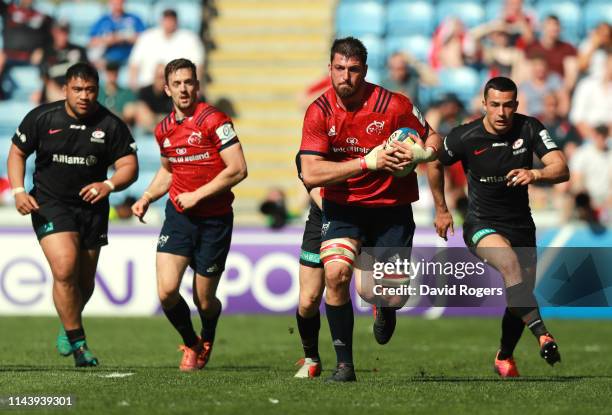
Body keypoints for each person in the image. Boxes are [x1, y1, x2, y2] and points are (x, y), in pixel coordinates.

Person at [299, 37, 453, 382]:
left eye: (353, 70)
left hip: (391, 211)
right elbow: (311, 172)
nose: (346, 77)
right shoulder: (319, 111)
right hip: (343, 208)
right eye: (339, 69)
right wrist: (366, 162)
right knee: (336, 275)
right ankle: (344, 365)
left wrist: (423, 155)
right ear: (330, 69)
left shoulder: (394, 104)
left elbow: (434, 138)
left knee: (385, 294)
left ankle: (384, 309)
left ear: (364, 71)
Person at [6, 62, 139, 367]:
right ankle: (79, 345)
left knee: (84, 283)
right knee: (65, 268)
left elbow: (129, 166)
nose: (84, 96)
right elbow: (17, 153)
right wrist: (18, 190)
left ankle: (68, 325)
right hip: (50, 203)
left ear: (97, 91)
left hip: (92, 208)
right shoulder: (42, 117)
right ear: (65, 89)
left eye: (90, 90)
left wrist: (109, 184)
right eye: (77, 89)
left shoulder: (111, 125)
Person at [438, 76, 569, 378]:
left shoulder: (529, 127)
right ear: (483, 104)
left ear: (516, 105)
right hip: (481, 224)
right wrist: (442, 208)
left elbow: (561, 168)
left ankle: (505, 356)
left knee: (519, 294)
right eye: (494, 105)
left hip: (522, 226)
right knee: (510, 264)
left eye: (508, 105)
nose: (501, 112)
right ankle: (543, 335)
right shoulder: (464, 136)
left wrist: (534, 175)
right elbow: (435, 161)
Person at [130, 58, 247, 372]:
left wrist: (198, 195)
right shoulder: (164, 130)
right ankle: (192, 343)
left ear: (197, 85)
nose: (184, 88)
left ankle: (207, 334)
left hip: (215, 219)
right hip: (179, 217)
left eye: (189, 82)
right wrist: (146, 196)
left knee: (204, 300)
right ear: (167, 89)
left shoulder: (215, 120)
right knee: (167, 291)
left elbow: (238, 169)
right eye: (177, 83)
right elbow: (168, 172)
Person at [128, 8, 205, 91]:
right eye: (167, 20)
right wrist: (134, 86)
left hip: (178, 88)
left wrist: (195, 87)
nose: (169, 23)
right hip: (148, 88)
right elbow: (134, 63)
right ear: (161, 21)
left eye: (171, 20)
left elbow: (198, 64)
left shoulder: (189, 38)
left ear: (176, 21)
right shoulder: (147, 37)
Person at [88, 0, 145, 67]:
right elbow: (91, 42)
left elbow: (144, 38)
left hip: (130, 59)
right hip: (107, 59)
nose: (117, 6)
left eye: (120, 3)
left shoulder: (134, 19)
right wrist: (109, 40)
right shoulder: (103, 20)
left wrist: (123, 37)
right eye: (115, 3)